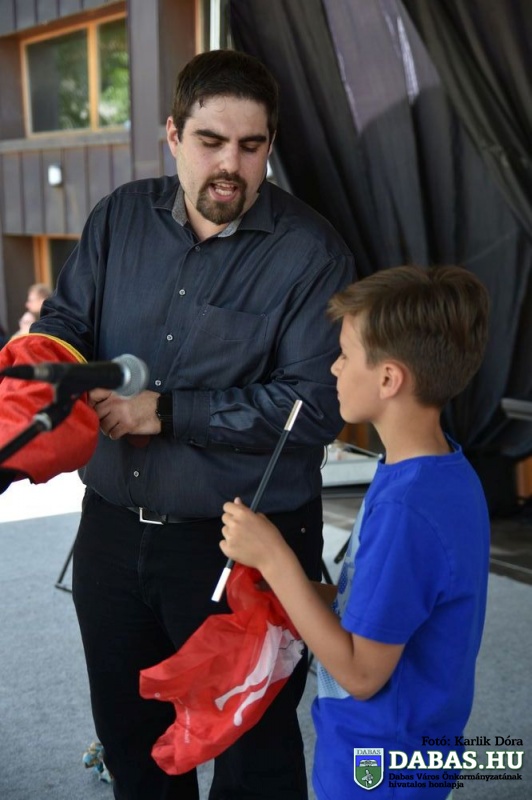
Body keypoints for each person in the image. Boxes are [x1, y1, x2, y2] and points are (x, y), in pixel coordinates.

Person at [31, 49, 356, 799]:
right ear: (173, 135)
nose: (230, 166)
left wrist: (167, 409)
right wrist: (47, 368)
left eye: (250, 145)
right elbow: (66, 323)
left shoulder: (314, 254)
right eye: (211, 141)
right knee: (133, 747)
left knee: (254, 759)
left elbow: (315, 406)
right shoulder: (118, 217)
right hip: (110, 532)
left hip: (248, 546)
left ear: (270, 145)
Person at [221, 265, 491, 800]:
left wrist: (275, 558)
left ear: (389, 379)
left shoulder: (407, 509)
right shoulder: (441, 473)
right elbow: (384, 604)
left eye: (345, 354)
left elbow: (362, 674)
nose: (334, 366)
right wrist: (293, 591)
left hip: (378, 765)